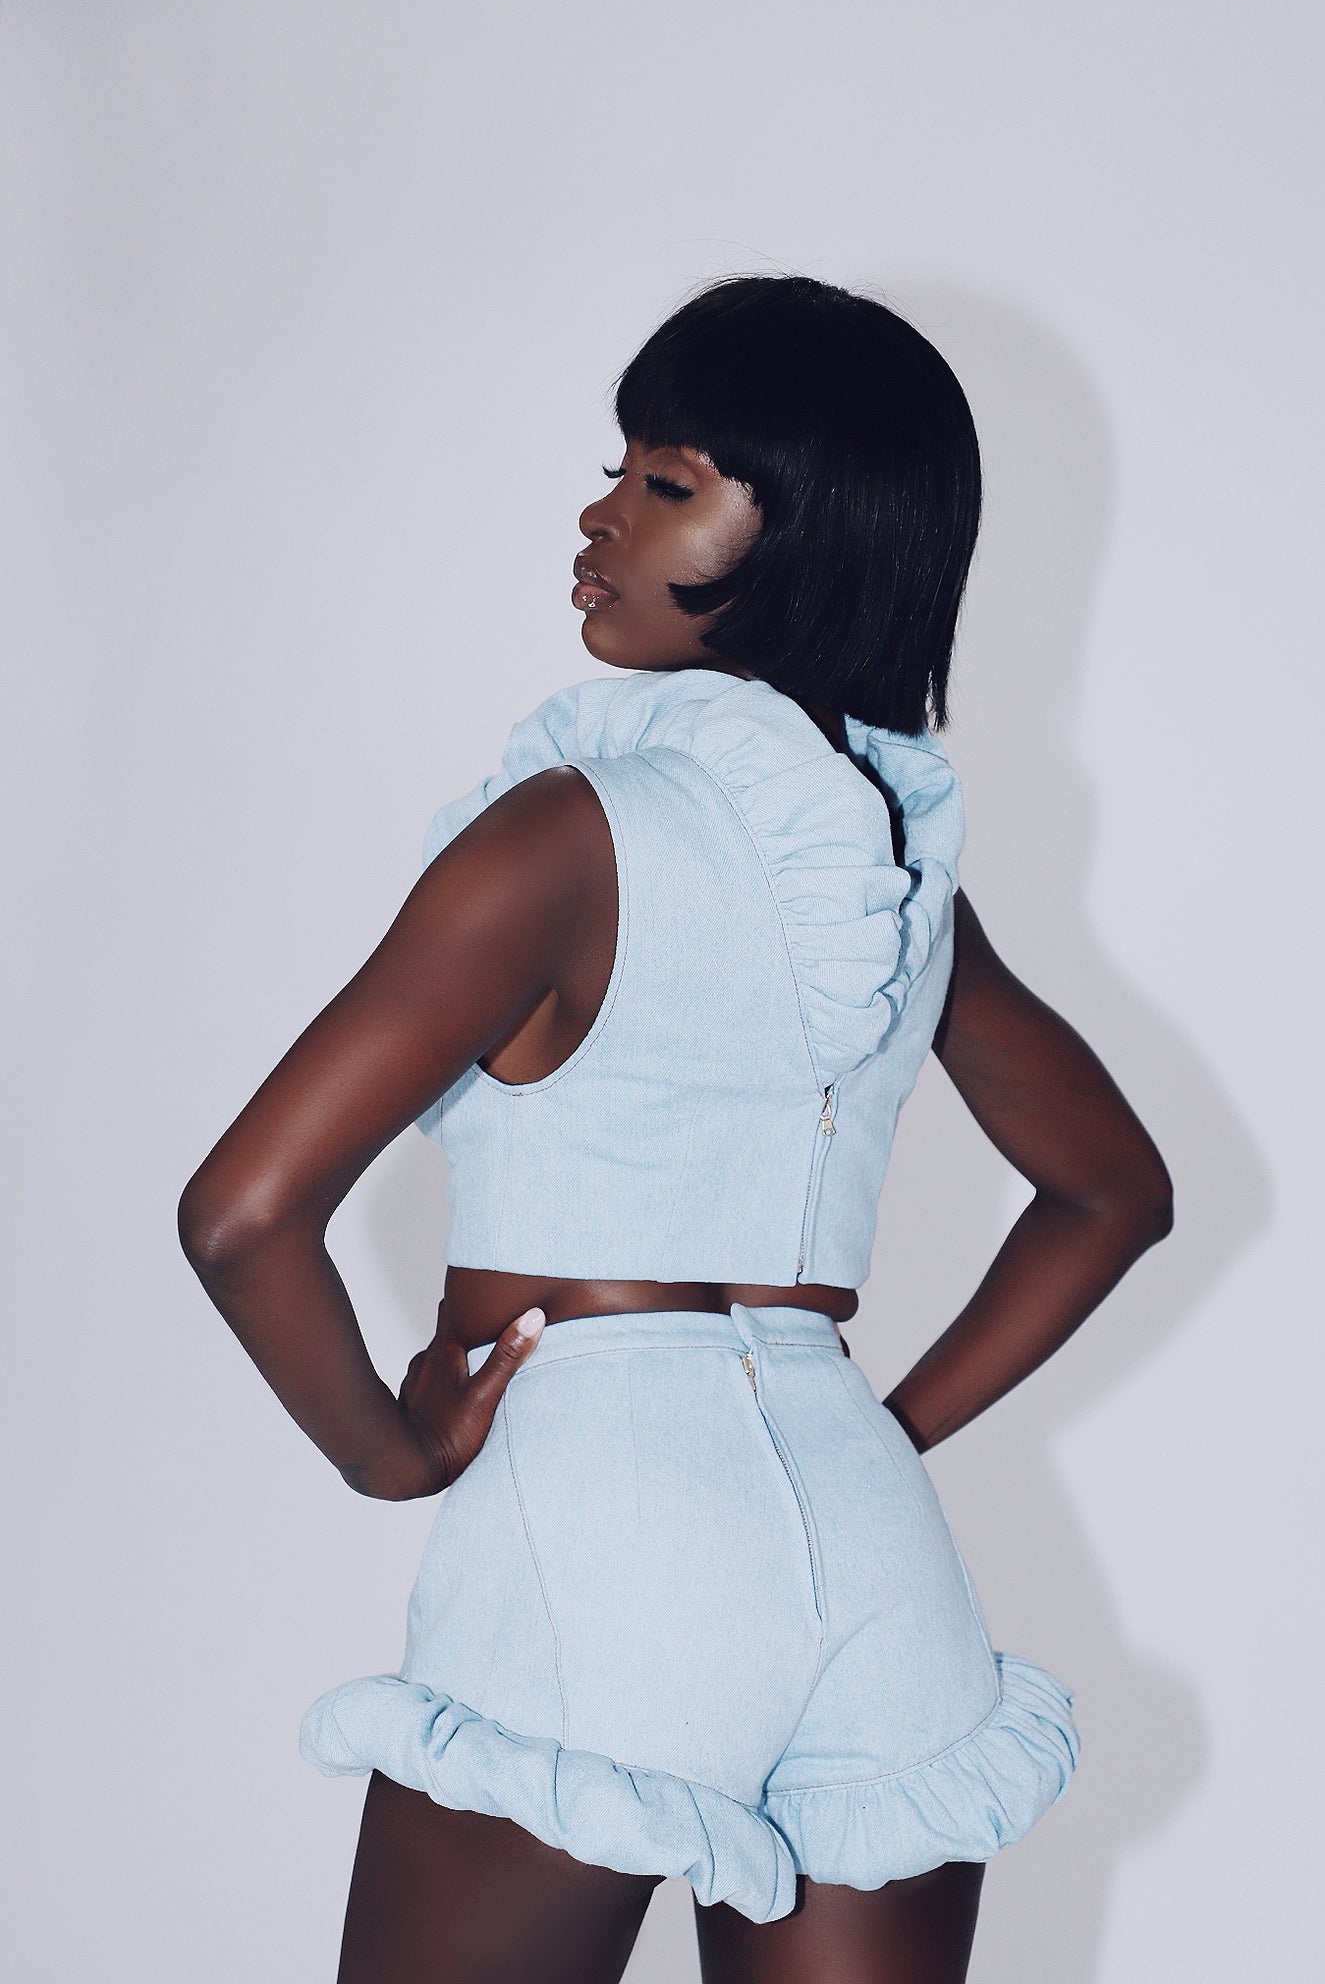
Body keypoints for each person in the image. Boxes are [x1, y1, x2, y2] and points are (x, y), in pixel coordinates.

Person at [179, 274, 1173, 1984]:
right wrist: (883, 1435)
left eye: (667, 483)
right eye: (619, 472)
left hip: (602, 1533)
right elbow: (1111, 1194)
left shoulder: (564, 835)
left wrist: (388, 1454)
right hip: (874, 1559)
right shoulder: (896, 887)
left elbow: (241, 1214)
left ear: (812, 537)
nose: (601, 518)